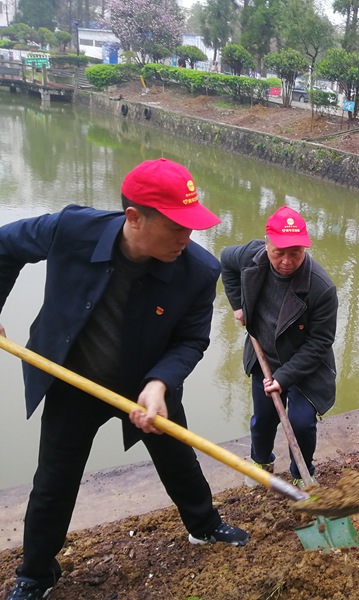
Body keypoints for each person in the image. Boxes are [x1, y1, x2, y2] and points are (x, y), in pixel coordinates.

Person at [0, 158, 249, 600]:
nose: (187, 239)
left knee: (178, 457)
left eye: (192, 227)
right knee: (54, 481)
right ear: (134, 218)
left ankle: (205, 526)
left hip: (144, 385)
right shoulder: (70, 229)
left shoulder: (198, 270)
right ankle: (36, 574)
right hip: (74, 379)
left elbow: (191, 340)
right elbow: (4, 246)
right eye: (177, 228)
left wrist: (159, 384)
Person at [220, 206, 337, 488]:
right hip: (266, 357)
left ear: (306, 247)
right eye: (278, 252)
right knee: (263, 417)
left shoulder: (321, 289)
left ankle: (302, 473)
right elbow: (226, 262)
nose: (286, 261)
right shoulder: (251, 255)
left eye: (295, 253)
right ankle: (261, 463)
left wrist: (284, 379)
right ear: (267, 243)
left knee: (300, 423)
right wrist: (238, 305)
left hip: (304, 364)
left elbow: (320, 342)